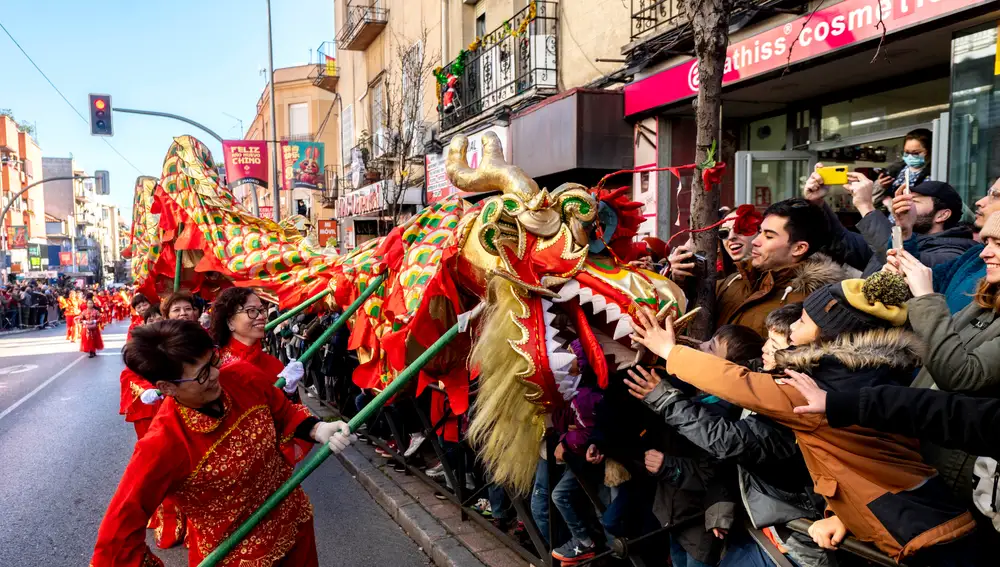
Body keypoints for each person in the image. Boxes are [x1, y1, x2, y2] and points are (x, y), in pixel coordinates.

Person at [628, 273, 979, 565]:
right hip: (925, 519)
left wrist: (670, 352)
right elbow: (866, 462)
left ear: (829, 334)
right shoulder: (861, 374)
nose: (793, 327)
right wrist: (844, 516)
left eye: (803, 321)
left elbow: (744, 385)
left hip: (919, 534)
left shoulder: (818, 388)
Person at [90, 320, 353, 566]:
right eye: (202, 374)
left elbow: (281, 410)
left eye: (213, 361)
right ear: (167, 387)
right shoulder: (163, 444)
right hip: (233, 556)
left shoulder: (239, 375)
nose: (216, 374)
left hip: (294, 525)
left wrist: (317, 429)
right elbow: (116, 538)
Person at [637, 325, 777, 567]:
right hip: (675, 515)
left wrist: (667, 466)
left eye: (711, 347)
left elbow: (716, 472)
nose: (701, 346)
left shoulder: (727, 415)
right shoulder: (699, 398)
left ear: (728, 369)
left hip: (699, 524)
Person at [712, 198, 844, 337]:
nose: (756, 241)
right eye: (760, 231)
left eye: (768, 236)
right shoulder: (736, 279)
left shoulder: (813, 303)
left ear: (799, 248)